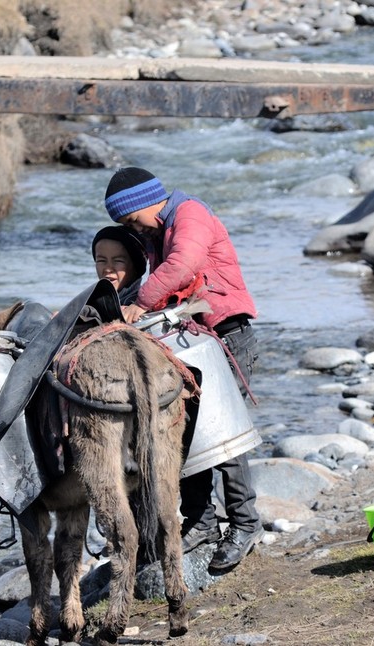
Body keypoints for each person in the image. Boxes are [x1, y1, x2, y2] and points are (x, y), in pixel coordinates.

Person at [103, 166, 261, 571]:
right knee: (187, 431)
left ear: (144, 204)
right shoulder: (159, 231)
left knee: (224, 432)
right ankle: (202, 521)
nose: (132, 229)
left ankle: (245, 523)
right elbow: (159, 281)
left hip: (225, 335)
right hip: (195, 344)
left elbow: (184, 265)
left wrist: (139, 305)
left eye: (130, 220)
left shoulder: (189, 215)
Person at [91, 225, 148, 306]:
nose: (108, 269)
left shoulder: (140, 305)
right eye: (101, 260)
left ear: (136, 266)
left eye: (118, 261)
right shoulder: (91, 303)